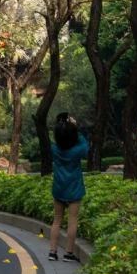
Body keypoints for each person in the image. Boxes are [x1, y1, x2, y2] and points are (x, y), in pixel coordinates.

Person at [48, 112, 89, 263]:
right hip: (74, 188)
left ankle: (52, 252)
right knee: (72, 221)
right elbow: (85, 145)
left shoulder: (55, 149)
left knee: (57, 220)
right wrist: (74, 127)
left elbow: (59, 138)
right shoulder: (78, 150)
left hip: (58, 187)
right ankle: (68, 253)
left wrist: (64, 127)